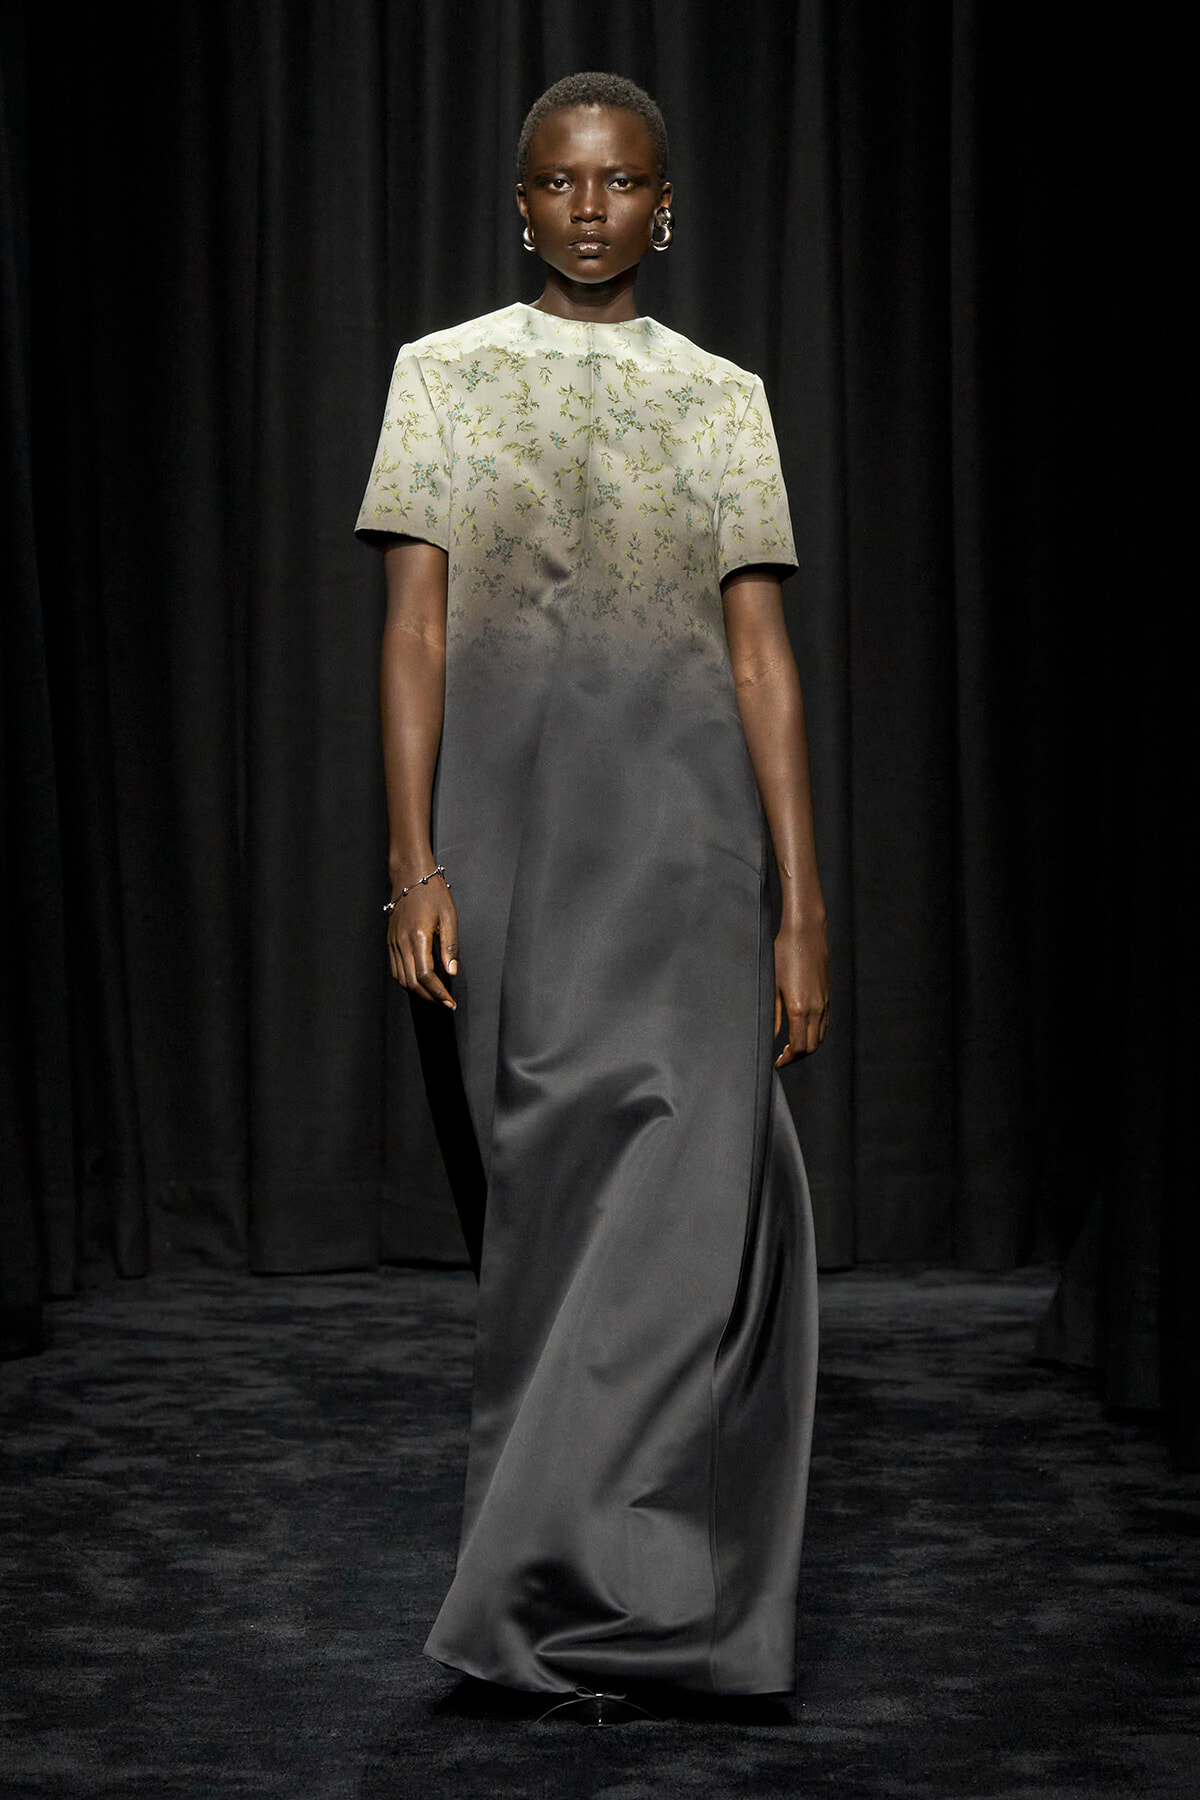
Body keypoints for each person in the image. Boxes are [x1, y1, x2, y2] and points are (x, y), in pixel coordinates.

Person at [356, 71, 829, 1708]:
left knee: (688, 1230)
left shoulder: (724, 399)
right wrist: (413, 856)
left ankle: (664, 1614)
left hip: (689, 854)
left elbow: (761, 662)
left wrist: (802, 902)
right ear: (519, 200)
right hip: (510, 850)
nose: (588, 209)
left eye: (621, 182)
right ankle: (556, 1588)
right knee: (552, 1229)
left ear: (665, 205)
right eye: (560, 183)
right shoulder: (443, 379)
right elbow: (413, 632)